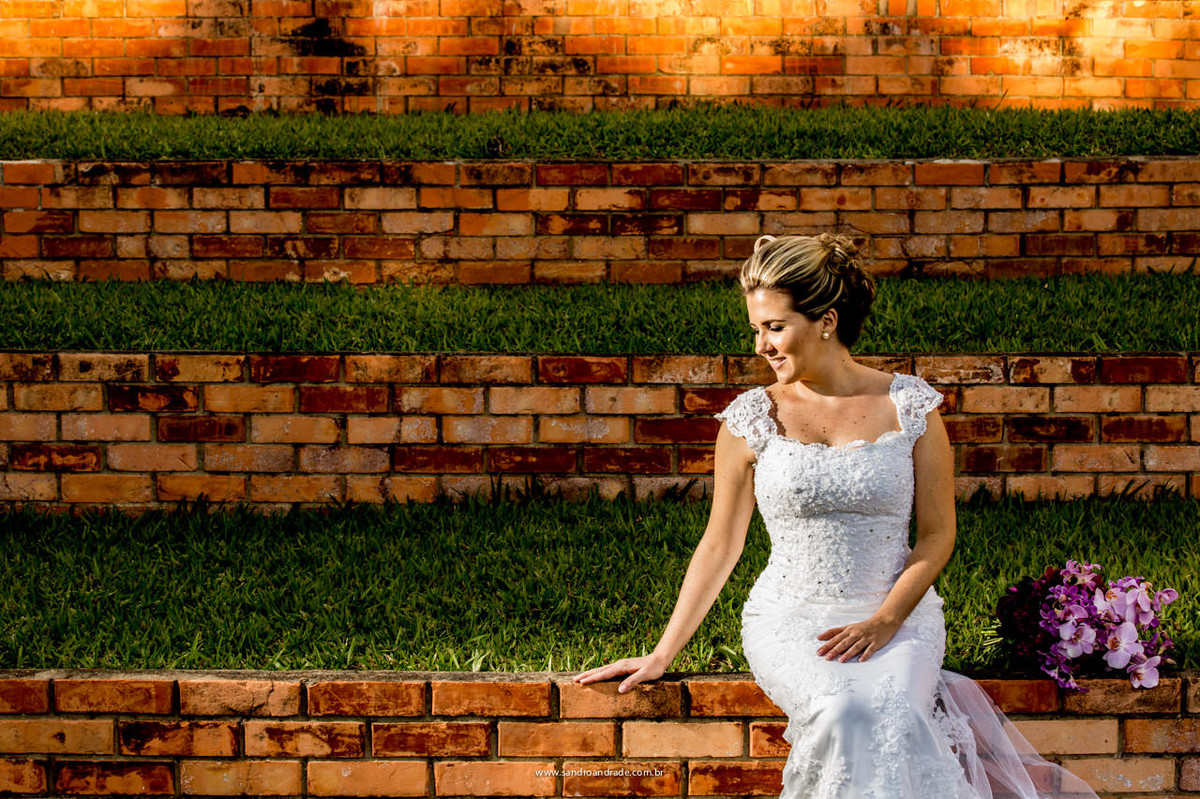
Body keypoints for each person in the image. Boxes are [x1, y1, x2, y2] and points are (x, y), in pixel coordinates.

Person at [572, 233, 1101, 798]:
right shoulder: (750, 419)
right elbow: (720, 545)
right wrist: (661, 653)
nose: (761, 346)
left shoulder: (911, 407)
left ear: (825, 320)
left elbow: (937, 535)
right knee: (843, 717)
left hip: (899, 619)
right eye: (756, 329)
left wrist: (887, 619)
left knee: (893, 715)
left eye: (774, 327)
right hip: (791, 621)